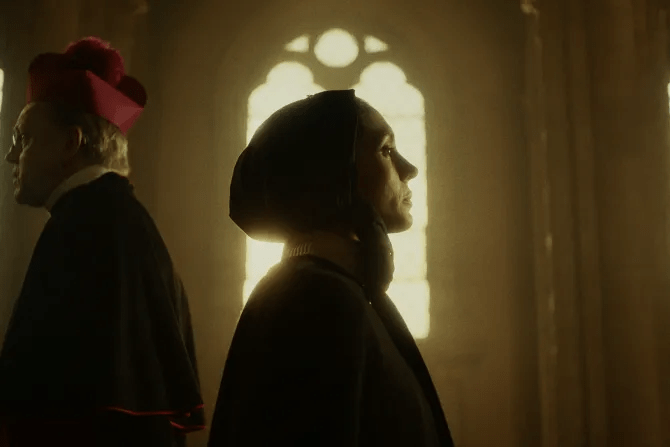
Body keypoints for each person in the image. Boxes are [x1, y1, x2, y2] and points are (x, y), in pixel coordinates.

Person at [208, 89, 454, 446]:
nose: (409, 169)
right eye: (386, 150)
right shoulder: (317, 300)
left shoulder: (330, 288)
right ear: (335, 171)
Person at [0, 37, 205, 447]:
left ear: (70, 143)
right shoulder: (119, 220)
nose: (10, 156)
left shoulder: (84, 228)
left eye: (23, 139)